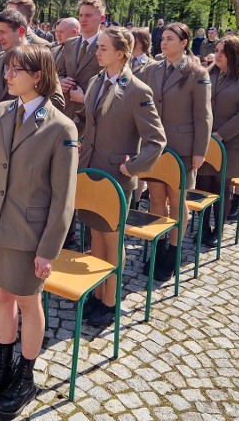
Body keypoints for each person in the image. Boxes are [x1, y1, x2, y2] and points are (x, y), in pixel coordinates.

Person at [0, 45, 78, 417]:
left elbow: (64, 197)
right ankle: (3, 367)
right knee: (1, 297)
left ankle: (26, 376)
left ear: (38, 77)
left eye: (16, 71)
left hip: (30, 233)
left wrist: (49, 249)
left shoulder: (61, 127)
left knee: (29, 302)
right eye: (8, 70)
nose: (7, 76)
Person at [77, 28, 165, 327]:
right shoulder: (95, 82)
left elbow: (156, 140)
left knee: (112, 241)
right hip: (90, 172)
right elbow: (85, 119)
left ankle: (111, 301)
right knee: (97, 236)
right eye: (97, 47)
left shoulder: (138, 90)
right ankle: (99, 292)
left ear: (120, 53)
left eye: (102, 48)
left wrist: (134, 167)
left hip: (116, 175)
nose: (97, 52)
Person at [142, 22, 211, 279]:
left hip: (182, 147)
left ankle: (174, 249)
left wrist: (199, 151)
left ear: (184, 43)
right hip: (155, 145)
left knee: (177, 199)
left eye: (171, 38)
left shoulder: (196, 73)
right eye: (163, 38)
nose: (164, 41)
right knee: (156, 197)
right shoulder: (152, 69)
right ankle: (158, 244)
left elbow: (203, 116)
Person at [197, 37, 239, 247]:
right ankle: (203, 226)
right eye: (217, 50)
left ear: (234, 54)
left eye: (223, 51)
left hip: (230, 142)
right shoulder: (208, 74)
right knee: (203, 184)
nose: (218, 55)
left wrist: (220, 135)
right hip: (206, 139)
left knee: (221, 186)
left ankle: (218, 230)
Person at [0, 9, 65, 115]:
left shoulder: (40, 58)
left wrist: (20, 110)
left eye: (3, 32)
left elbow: (57, 102)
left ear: (21, 31)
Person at [57, 0, 106, 120]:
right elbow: (60, 72)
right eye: (81, 15)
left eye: (88, 15)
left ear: (102, 19)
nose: (83, 20)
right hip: (65, 111)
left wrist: (86, 98)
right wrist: (60, 81)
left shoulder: (107, 46)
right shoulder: (69, 44)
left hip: (91, 116)